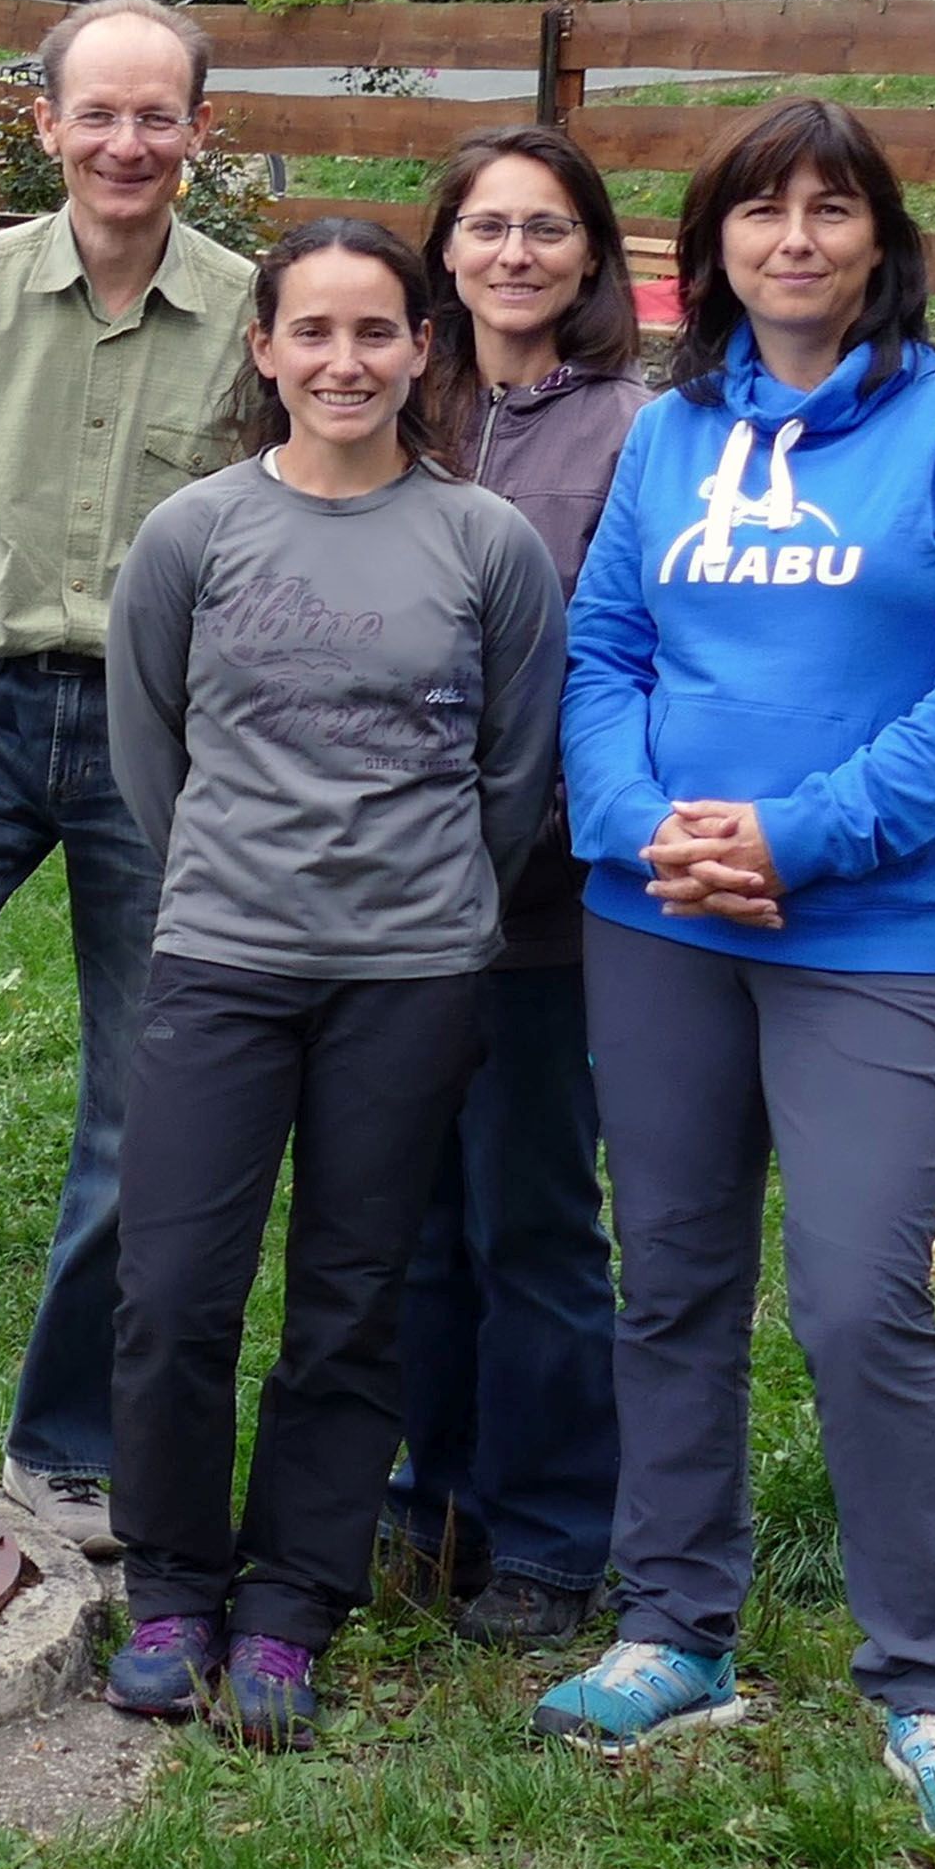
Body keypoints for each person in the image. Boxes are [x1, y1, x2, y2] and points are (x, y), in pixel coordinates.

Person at [529, 101, 935, 1856]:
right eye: (763, 213)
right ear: (715, 252)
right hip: (662, 917)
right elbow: (604, 645)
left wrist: (801, 835)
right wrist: (629, 823)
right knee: (672, 1277)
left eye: (832, 211)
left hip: (875, 932)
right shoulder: (680, 432)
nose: (797, 242)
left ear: (881, 238)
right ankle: (676, 1625)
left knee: (857, 1299)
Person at [96, 219, 564, 1750]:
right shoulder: (196, 535)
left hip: (410, 973)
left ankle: (294, 1601)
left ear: (424, 348)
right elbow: (149, 750)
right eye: (314, 333)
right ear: (265, 349)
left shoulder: (484, 543)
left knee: (351, 1302)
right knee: (173, 1291)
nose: (346, 362)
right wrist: (243, 878)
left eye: (378, 333)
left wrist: (419, 905)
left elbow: (513, 770)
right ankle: (172, 1584)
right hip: (225, 958)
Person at [0, 0, 258, 1559]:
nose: (128, 143)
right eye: (100, 113)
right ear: (47, 125)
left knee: (149, 1104)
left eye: (159, 117)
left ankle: (65, 1443)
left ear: (198, 135)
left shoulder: (259, 318)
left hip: (169, 739)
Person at [377, 132, 651, 1648]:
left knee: (534, 1219)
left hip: (540, 898)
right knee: (409, 1215)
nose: (514, 253)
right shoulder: (402, 402)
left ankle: (553, 1532)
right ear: (448, 248)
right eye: (486, 225)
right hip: (380, 894)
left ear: (592, 255)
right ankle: (434, 1498)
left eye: (547, 228)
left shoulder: (634, 431)